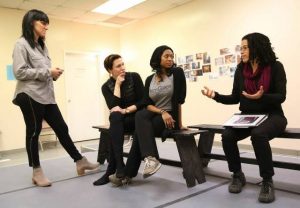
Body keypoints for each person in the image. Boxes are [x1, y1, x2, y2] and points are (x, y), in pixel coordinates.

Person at [12, 9, 99, 187]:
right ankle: (36, 171)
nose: (47, 26)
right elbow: (19, 72)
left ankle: (80, 161)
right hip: (28, 94)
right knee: (34, 131)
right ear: (31, 23)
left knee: (61, 127)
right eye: (43, 23)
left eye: (47, 23)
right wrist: (47, 72)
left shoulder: (42, 47)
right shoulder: (21, 44)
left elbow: (41, 72)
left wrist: (53, 74)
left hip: (46, 95)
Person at [201, 32, 287, 203]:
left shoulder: (276, 67)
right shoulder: (241, 69)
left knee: (258, 134)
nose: (242, 51)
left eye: (245, 48)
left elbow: (281, 96)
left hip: (273, 115)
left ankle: (267, 181)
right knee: (226, 136)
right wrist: (215, 96)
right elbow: (235, 97)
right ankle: (238, 175)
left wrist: (261, 96)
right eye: (241, 48)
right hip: (248, 116)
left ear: (257, 47)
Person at [109, 45, 186, 186]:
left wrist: (179, 124)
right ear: (158, 58)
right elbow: (147, 103)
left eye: (171, 56)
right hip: (155, 113)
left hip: (169, 117)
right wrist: (161, 112)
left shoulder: (177, 73)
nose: (170, 59)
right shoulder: (150, 79)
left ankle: (126, 174)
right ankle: (151, 159)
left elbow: (180, 100)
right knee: (141, 115)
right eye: (166, 56)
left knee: (139, 132)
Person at [93, 54, 144, 186]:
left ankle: (112, 169)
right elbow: (115, 107)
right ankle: (119, 166)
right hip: (121, 121)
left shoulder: (134, 77)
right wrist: (117, 85)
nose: (123, 68)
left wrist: (127, 110)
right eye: (118, 66)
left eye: (123, 64)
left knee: (114, 125)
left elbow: (144, 101)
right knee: (115, 117)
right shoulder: (106, 87)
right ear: (110, 70)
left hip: (137, 117)